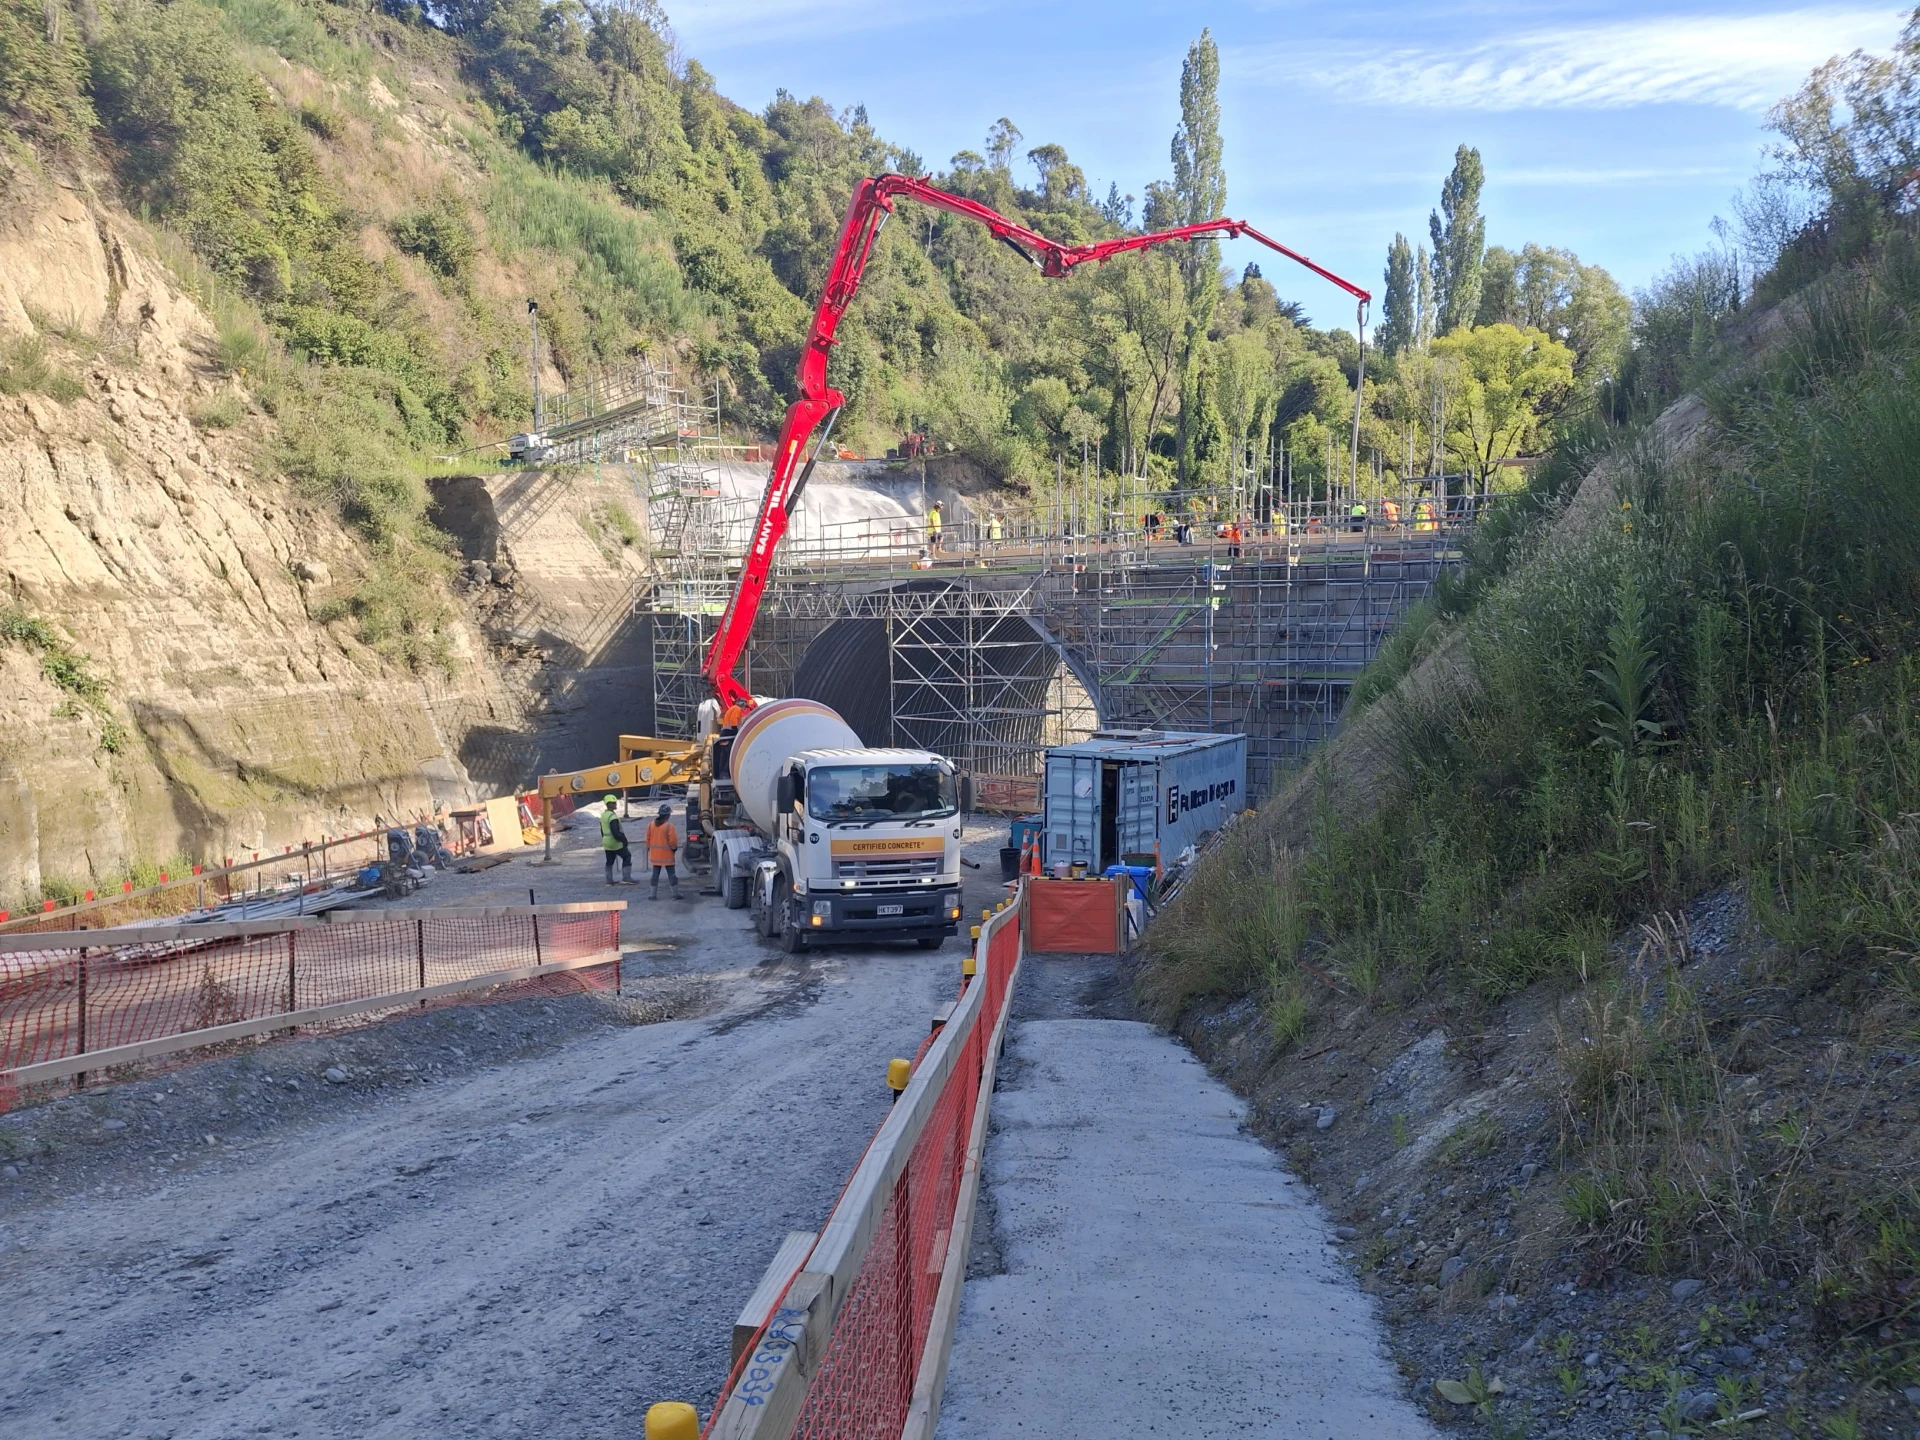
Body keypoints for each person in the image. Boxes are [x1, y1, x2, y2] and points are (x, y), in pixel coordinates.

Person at [646, 803, 683, 900]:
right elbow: (673, 841)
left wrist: (651, 849)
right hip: (667, 856)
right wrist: (674, 848)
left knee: (655, 875)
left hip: (655, 856)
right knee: (672, 875)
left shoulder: (651, 825)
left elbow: (648, 840)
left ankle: (653, 895)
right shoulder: (669, 826)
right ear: (668, 815)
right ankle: (675, 895)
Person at [599, 795, 633, 885]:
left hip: (606, 842)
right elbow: (616, 832)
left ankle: (609, 881)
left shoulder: (603, 815)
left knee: (609, 861)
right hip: (614, 842)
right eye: (613, 803)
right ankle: (626, 878)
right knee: (627, 856)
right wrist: (624, 841)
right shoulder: (612, 817)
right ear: (609, 804)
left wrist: (605, 839)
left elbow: (602, 830)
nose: (615, 804)